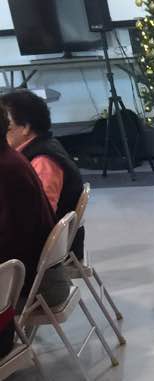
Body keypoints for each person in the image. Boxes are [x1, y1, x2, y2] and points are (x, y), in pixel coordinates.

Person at [0, 103, 70, 358]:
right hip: (31, 282)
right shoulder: (11, 159)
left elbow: (10, 248)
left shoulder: (8, 169)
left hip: (30, 289)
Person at [0, 89, 85, 257]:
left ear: (25, 127)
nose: (5, 130)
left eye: (8, 125)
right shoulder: (40, 148)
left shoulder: (43, 160)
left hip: (44, 251)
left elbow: (42, 213)